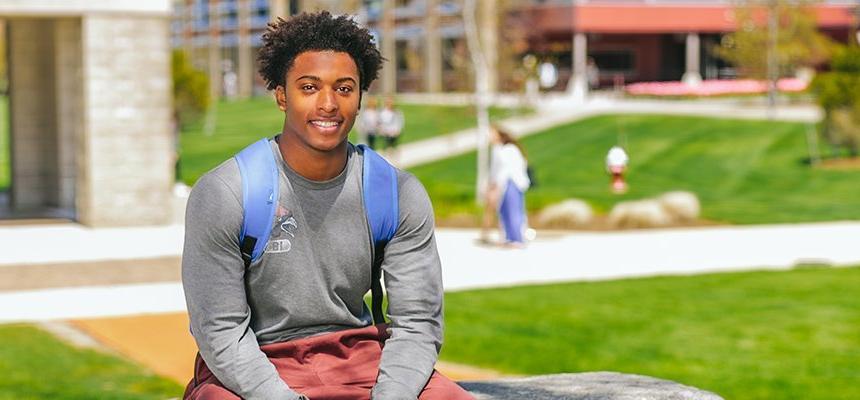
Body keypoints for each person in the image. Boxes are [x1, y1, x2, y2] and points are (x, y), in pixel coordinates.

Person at [181, 11, 473, 400]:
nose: (328, 103)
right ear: (281, 95)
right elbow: (220, 330)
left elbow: (418, 321)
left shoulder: (395, 192)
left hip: (359, 359)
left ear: (360, 96)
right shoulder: (226, 193)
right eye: (309, 87)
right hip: (256, 366)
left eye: (344, 88)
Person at [482, 126, 530, 246]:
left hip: (512, 182)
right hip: (503, 183)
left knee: (513, 210)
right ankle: (509, 237)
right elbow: (495, 170)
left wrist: (495, 186)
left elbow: (506, 170)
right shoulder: (497, 149)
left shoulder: (509, 149)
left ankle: (517, 238)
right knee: (504, 211)